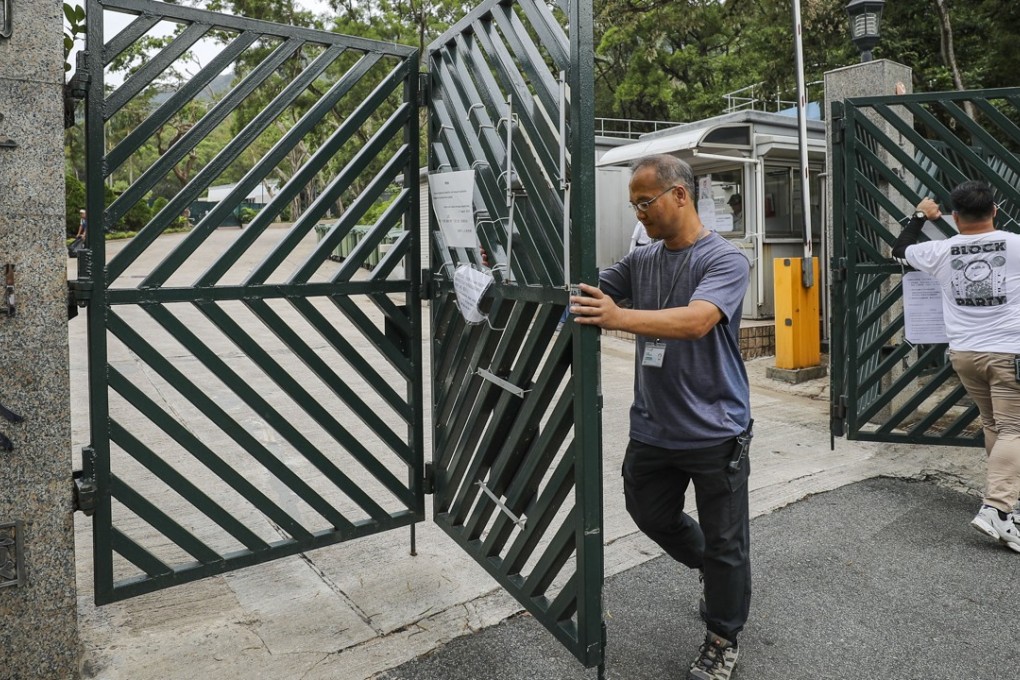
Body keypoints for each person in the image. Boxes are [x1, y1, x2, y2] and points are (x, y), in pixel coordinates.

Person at [570, 154, 752, 680]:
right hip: (653, 425)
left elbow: (697, 321)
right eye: (633, 205)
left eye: (645, 202)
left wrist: (618, 316)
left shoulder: (725, 259)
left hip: (716, 429)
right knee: (649, 514)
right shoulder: (642, 260)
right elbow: (593, 294)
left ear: (679, 195)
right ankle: (716, 573)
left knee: (727, 541)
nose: (639, 214)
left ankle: (722, 634)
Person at [892, 181, 1020, 553]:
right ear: (994, 211)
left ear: (955, 217)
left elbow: (899, 251)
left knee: (995, 425)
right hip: (1009, 352)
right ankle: (996, 508)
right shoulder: (1014, 244)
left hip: (964, 353)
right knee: (1014, 428)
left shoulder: (941, 250)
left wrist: (920, 215)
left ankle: (1008, 499)